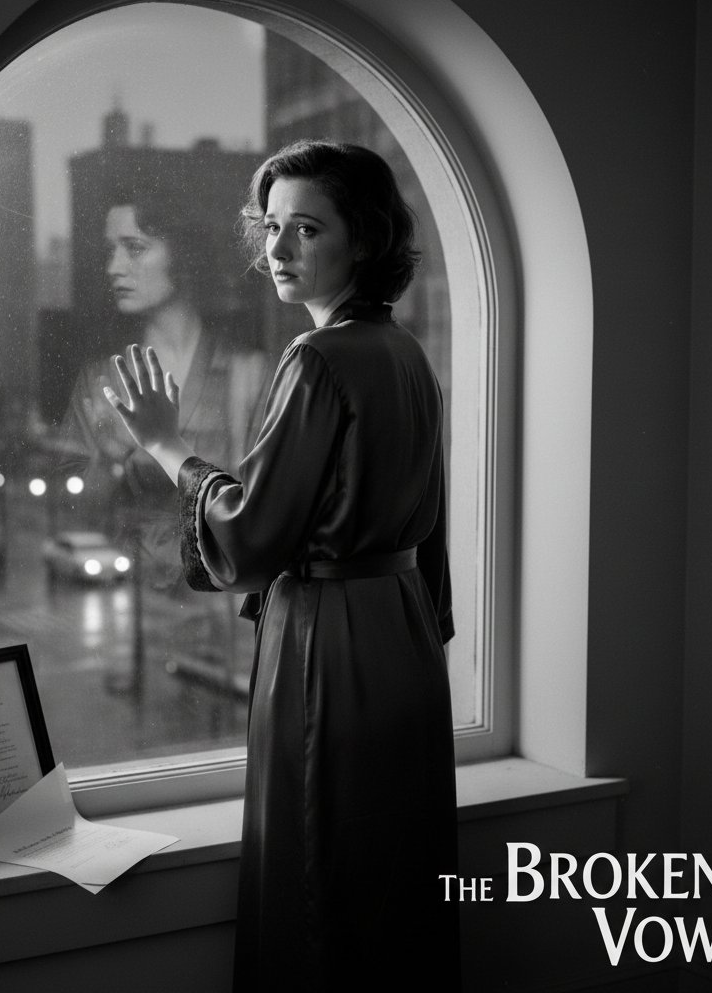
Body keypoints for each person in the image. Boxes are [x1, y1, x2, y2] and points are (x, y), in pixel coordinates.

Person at [102, 141, 460, 990]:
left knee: (318, 870)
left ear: (363, 241)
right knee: (391, 874)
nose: (278, 249)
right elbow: (430, 528)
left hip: (328, 642)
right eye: (270, 227)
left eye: (306, 228)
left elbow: (251, 537)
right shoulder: (405, 354)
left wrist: (164, 444)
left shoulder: (320, 358)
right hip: (403, 640)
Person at [57, 182, 273, 700]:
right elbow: (74, 517)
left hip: (231, 634)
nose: (114, 267)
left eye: (134, 248)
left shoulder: (248, 374)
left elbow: (264, 513)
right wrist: (111, 461)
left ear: (185, 255)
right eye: (110, 250)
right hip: (135, 632)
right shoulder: (98, 381)